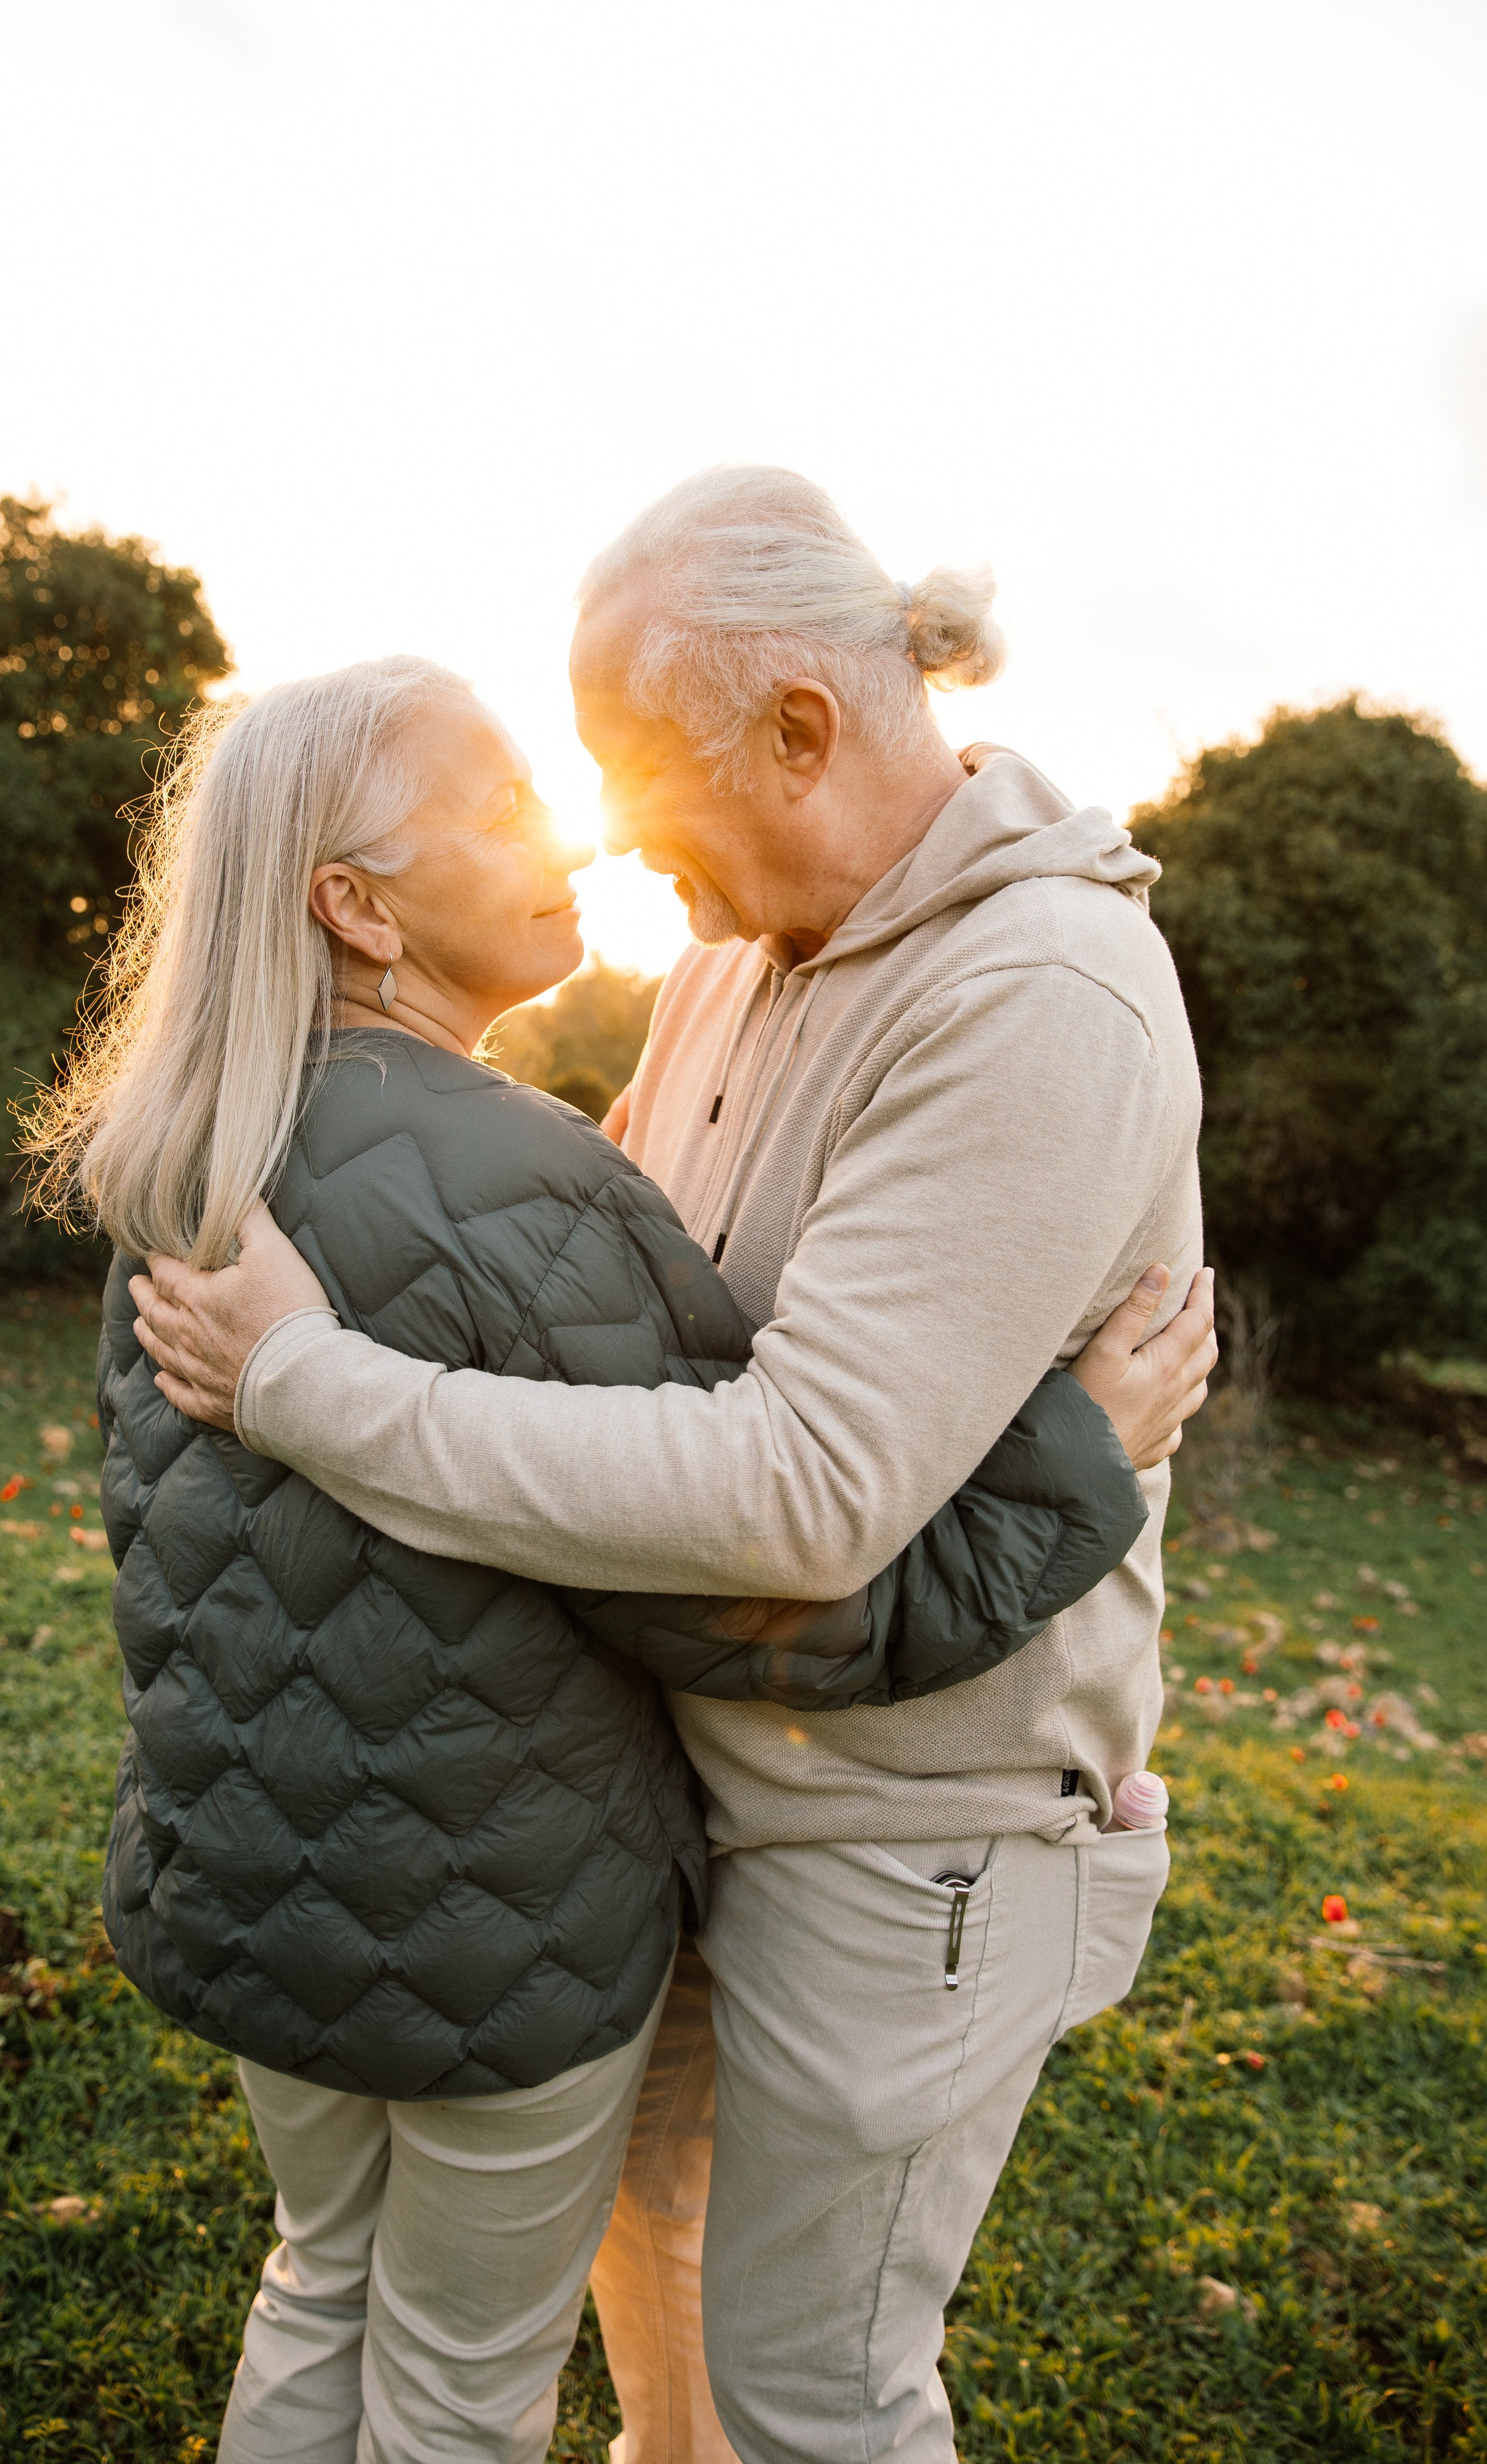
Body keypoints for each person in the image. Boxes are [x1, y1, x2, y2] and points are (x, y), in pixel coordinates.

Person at [130, 470, 1213, 2464]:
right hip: (676, 1792)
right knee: (674, 2348)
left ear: (800, 730)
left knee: (812, 2390)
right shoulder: (735, 958)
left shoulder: (1035, 993)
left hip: (911, 1822)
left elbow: (791, 1492)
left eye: (634, 775)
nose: (613, 841)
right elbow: (621, 1375)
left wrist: (303, 1381)